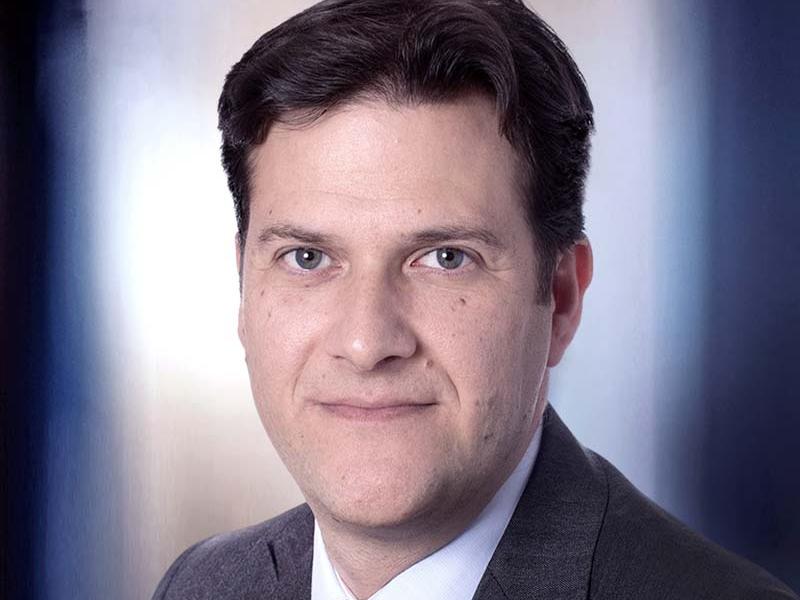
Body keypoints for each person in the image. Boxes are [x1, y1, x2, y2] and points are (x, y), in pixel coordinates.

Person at [153, 1, 798, 598]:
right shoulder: (202, 585)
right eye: (308, 258)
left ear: (561, 298)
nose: (367, 342)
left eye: (446, 258)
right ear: (244, 288)